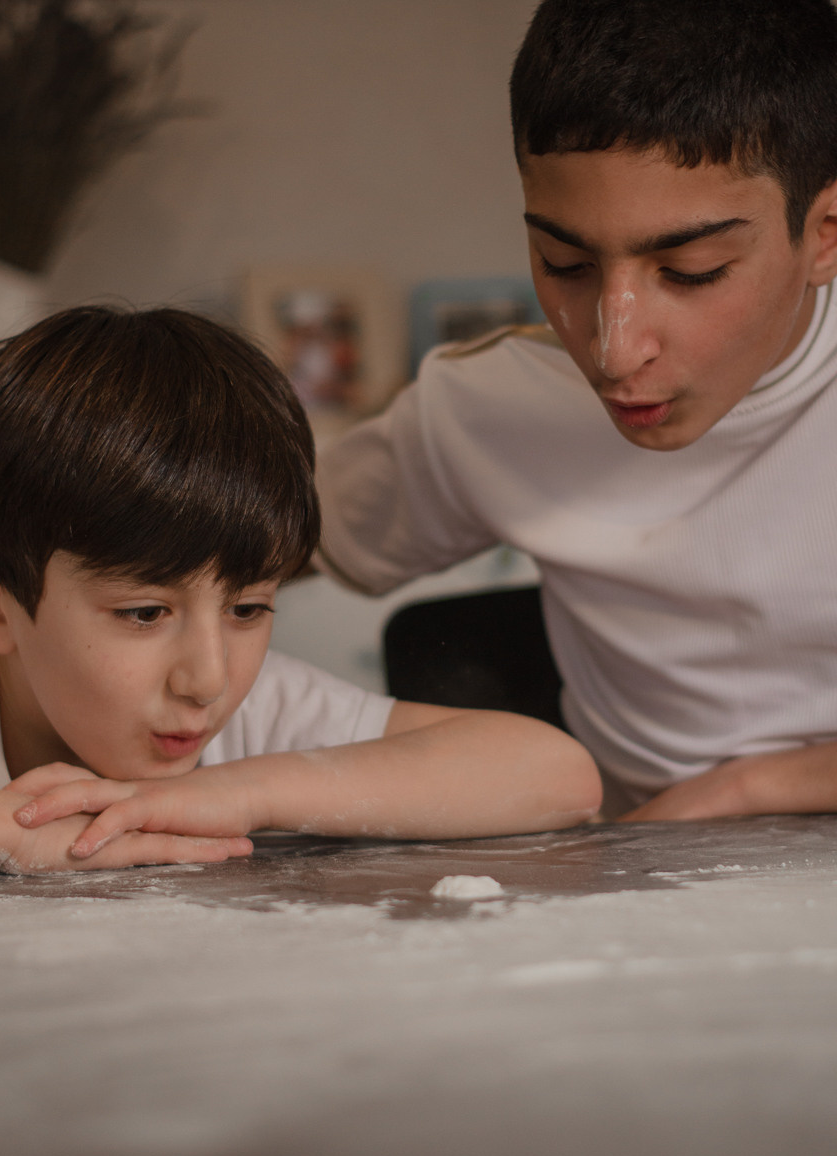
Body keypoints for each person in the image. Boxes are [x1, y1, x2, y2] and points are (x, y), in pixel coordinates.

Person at [314, 0, 837, 821]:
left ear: (827, 233)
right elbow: (239, 540)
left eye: (691, 270)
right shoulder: (492, 404)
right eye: (564, 262)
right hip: (629, 885)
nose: (614, 349)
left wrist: (746, 788)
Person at [0, 306, 600, 874]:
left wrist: (240, 791)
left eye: (248, 608)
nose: (207, 680)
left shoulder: (256, 716)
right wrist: (8, 835)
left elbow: (559, 775)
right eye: (146, 612)